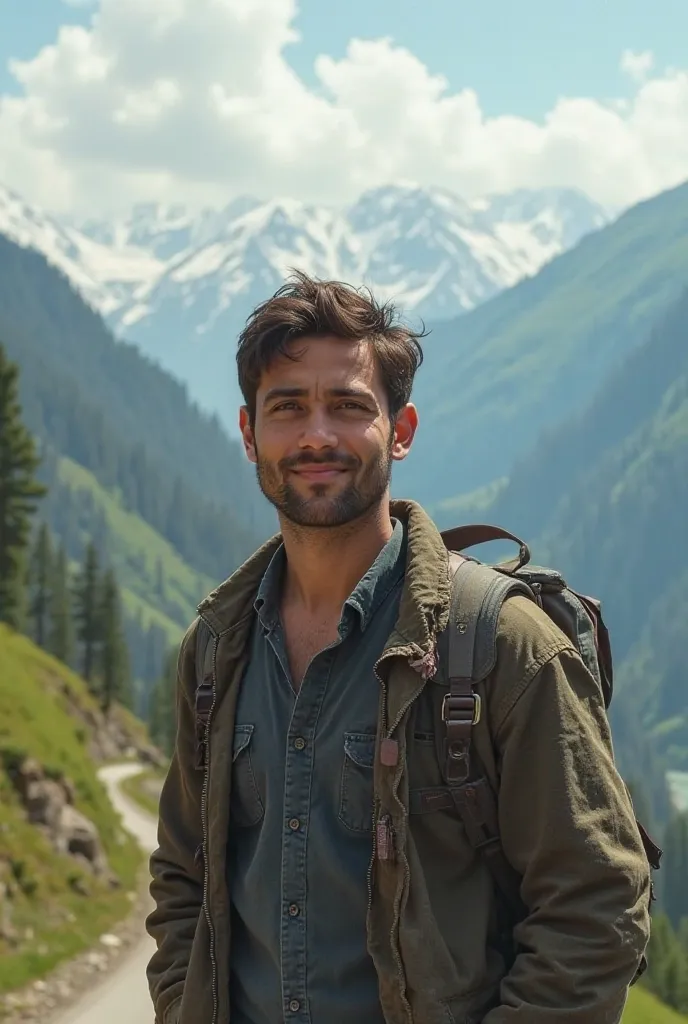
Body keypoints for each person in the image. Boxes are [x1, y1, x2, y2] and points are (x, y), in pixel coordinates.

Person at [145, 271, 652, 1024]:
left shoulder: (501, 644)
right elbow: (183, 880)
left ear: (402, 430)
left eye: (349, 407)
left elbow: (597, 908)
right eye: (288, 408)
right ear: (251, 434)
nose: (318, 435)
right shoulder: (217, 649)